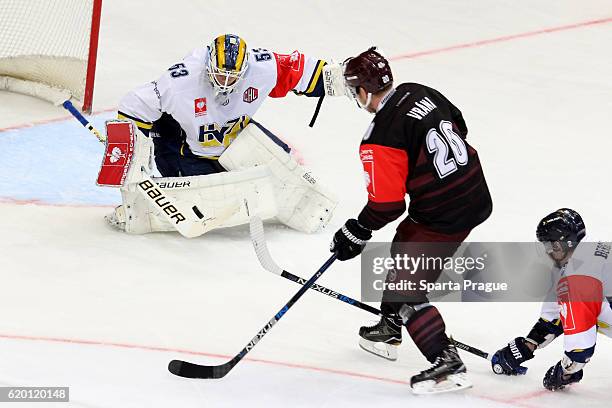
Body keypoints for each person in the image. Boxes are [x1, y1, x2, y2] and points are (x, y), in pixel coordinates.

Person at [329, 47, 492, 393]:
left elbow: (387, 205)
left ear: (363, 91)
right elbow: (460, 124)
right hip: (474, 190)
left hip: (445, 212)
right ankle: (390, 324)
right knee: (405, 240)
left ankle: (445, 361)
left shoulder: (380, 138)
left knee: (408, 287)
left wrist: (357, 229)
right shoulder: (419, 90)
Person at [117, 33, 338, 177]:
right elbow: (133, 105)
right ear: (209, 63)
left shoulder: (261, 66)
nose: (224, 82)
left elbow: (303, 72)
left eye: (231, 77)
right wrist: (127, 155)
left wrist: (344, 79)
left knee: (286, 171)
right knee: (208, 198)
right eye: (220, 75)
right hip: (183, 146)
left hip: (234, 138)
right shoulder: (181, 80)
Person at [491, 208, 612, 391]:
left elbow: (580, 348)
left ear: (563, 244)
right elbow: (557, 313)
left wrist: (565, 372)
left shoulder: (578, 278)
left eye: (550, 246)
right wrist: (527, 345)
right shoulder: (591, 251)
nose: (547, 252)